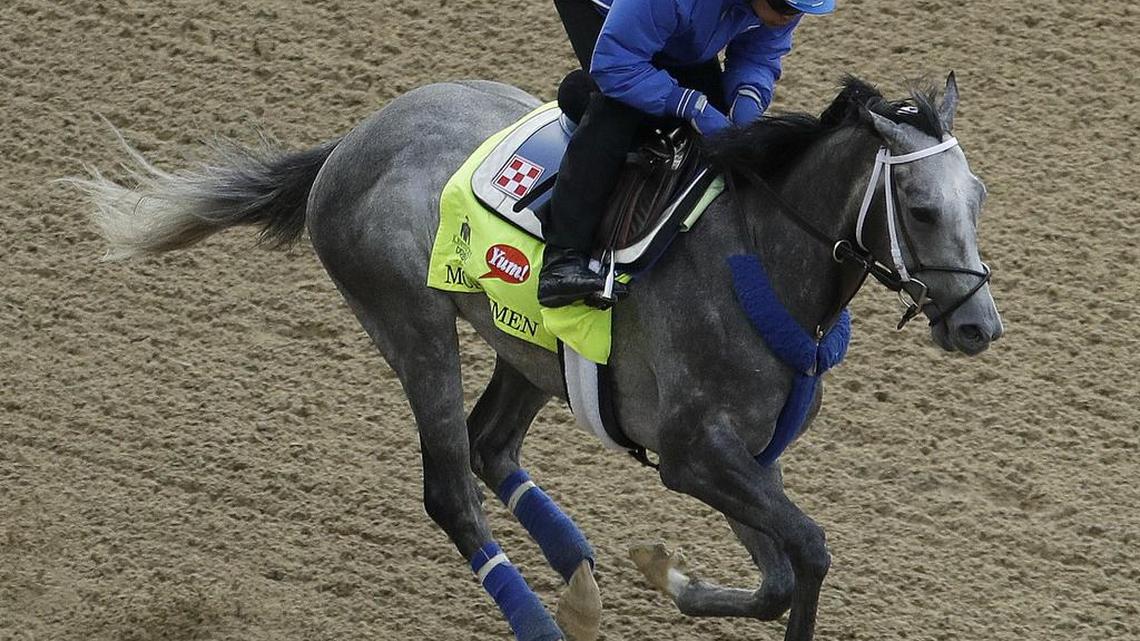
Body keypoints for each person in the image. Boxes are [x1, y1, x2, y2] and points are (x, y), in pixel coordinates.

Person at [539, 0, 837, 308]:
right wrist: (687, 103)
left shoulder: (782, 9)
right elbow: (616, 64)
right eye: (782, 5)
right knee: (618, 109)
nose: (788, 16)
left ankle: (580, 92)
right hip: (602, 10)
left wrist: (745, 97)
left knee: (712, 114)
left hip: (677, 18)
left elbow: (758, 55)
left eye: (797, 9)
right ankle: (562, 259)